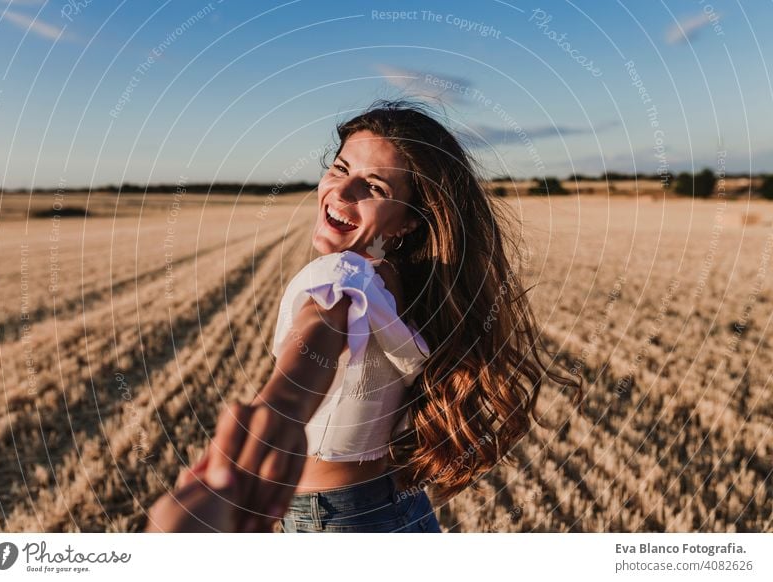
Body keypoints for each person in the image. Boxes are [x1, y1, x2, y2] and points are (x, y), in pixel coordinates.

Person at [144, 98, 583, 533]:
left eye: (374, 187)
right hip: (390, 509)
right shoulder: (403, 282)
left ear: (407, 223)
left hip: (338, 522)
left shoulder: (344, 275)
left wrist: (281, 413)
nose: (341, 191)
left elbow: (322, 328)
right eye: (340, 168)